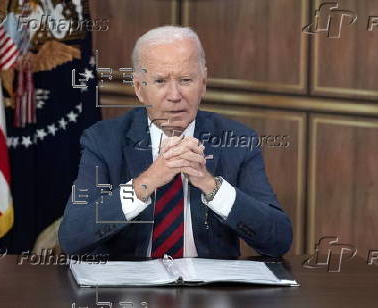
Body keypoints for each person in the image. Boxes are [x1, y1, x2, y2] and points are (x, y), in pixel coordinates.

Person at [58, 26, 292, 259]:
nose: (174, 95)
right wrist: (146, 183)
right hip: (132, 290)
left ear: (203, 83)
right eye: (160, 81)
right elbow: (73, 237)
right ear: (139, 88)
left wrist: (211, 186)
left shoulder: (238, 141)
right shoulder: (103, 141)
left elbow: (278, 239)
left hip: (211, 291)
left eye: (185, 80)